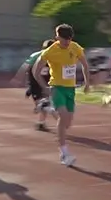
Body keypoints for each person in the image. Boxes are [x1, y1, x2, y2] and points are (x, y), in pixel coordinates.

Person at [31, 24, 91, 166]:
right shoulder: (50, 51)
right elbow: (36, 70)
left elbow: (85, 64)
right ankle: (64, 153)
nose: (67, 43)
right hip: (57, 87)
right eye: (64, 40)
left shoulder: (75, 47)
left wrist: (88, 82)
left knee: (67, 124)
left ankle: (48, 109)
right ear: (57, 37)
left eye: (69, 40)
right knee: (63, 118)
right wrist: (44, 87)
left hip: (70, 89)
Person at [11, 39, 57, 131]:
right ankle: (42, 107)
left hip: (46, 82)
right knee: (45, 104)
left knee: (46, 102)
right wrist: (18, 78)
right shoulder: (36, 56)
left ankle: (41, 123)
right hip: (35, 83)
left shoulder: (55, 56)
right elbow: (25, 66)